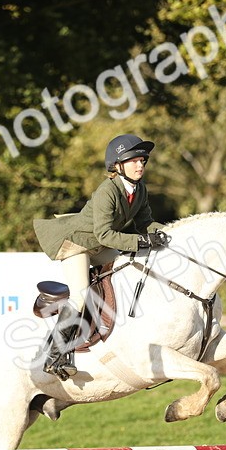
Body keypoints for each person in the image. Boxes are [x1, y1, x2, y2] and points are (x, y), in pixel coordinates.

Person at [33, 133, 170, 377]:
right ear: (118, 165)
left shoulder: (139, 190)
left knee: (126, 268)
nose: (140, 165)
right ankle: (54, 356)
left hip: (97, 243)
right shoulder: (108, 190)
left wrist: (169, 234)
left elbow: (145, 224)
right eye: (134, 160)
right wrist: (142, 241)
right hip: (75, 243)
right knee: (79, 295)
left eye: (143, 160)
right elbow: (106, 234)